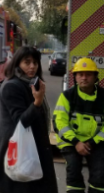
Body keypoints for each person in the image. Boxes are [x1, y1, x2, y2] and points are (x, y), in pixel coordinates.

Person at [0, 46, 58, 193]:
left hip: (31, 145)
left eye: (35, 63)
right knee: (22, 186)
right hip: (18, 148)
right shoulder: (12, 86)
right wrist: (37, 102)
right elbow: (20, 121)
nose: (32, 66)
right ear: (17, 64)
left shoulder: (31, 82)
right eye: (27, 62)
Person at [53, 57, 104, 193]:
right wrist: (76, 142)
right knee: (73, 169)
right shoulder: (67, 96)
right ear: (75, 77)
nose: (84, 78)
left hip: (96, 141)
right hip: (71, 141)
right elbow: (59, 123)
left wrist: (92, 142)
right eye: (80, 74)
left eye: (88, 74)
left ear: (95, 77)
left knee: (100, 173)